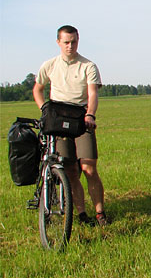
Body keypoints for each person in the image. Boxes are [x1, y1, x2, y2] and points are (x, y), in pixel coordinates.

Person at [33, 25, 109, 225]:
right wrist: (44, 110)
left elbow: (92, 93)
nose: (70, 46)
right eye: (66, 42)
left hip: (81, 118)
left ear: (78, 40)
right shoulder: (49, 65)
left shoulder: (88, 66)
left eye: (74, 41)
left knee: (89, 168)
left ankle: (100, 213)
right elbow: (38, 89)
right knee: (69, 170)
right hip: (58, 119)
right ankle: (82, 213)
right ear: (58, 42)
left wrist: (90, 114)